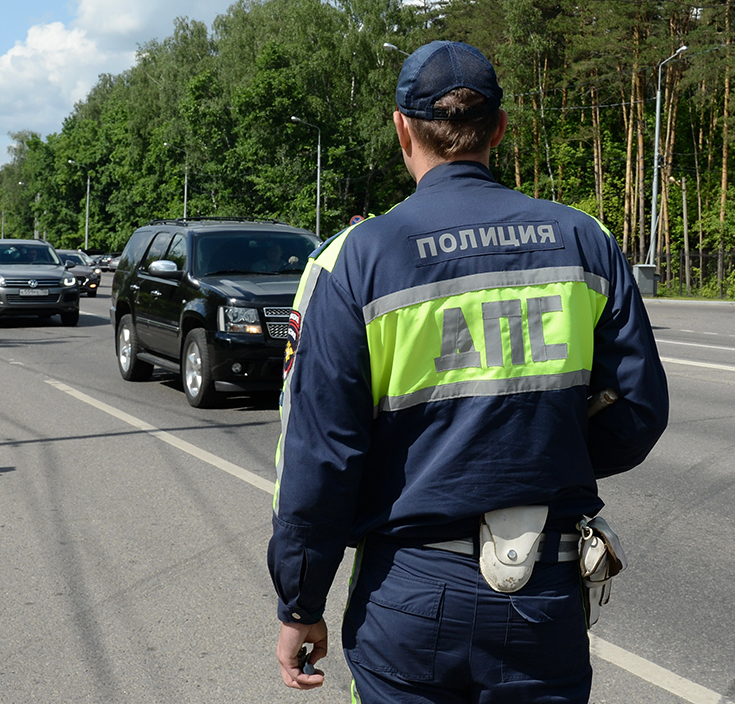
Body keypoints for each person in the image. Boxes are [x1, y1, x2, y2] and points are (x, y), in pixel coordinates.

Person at [268, 41, 669, 703]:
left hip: (411, 593)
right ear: (499, 129)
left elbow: (321, 457)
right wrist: (540, 457)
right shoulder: (584, 242)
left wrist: (300, 601)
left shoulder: (356, 260)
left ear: (402, 127)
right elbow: (638, 413)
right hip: (545, 591)